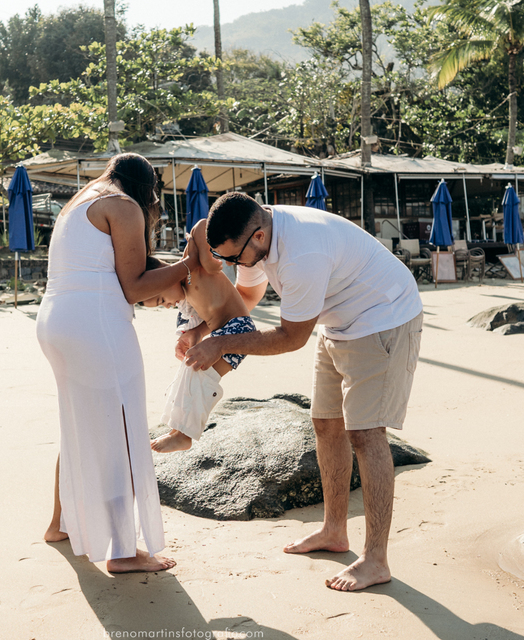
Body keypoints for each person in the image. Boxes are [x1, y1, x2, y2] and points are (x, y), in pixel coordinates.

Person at [181, 193, 423, 592]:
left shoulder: (301, 253)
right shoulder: (257, 240)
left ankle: (376, 559)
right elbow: (247, 297)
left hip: (384, 317)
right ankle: (333, 531)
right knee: (326, 424)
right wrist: (200, 330)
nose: (234, 265)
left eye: (235, 258)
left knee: (366, 433)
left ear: (259, 236)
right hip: (339, 321)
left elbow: (290, 337)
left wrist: (221, 345)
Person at [37, 153, 197, 574]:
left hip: (56, 322)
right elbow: (135, 287)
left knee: (80, 425)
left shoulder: (81, 200)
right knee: (122, 431)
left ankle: (60, 525)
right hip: (96, 325)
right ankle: (123, 552)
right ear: (148, 189)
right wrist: (190, 264)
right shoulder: (124, 206)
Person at [139, 218, 257, 453]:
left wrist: (207, 259)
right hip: (223, 331)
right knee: (188, 372)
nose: (167, 305)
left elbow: (201, 225)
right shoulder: (186, 297)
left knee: (202, 376)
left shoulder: (192, 266)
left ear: (164, 274)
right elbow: (209, 320)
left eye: (161, 299)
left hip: (238, 330)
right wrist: (195, 333)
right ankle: (177, 429)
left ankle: (185, 435)